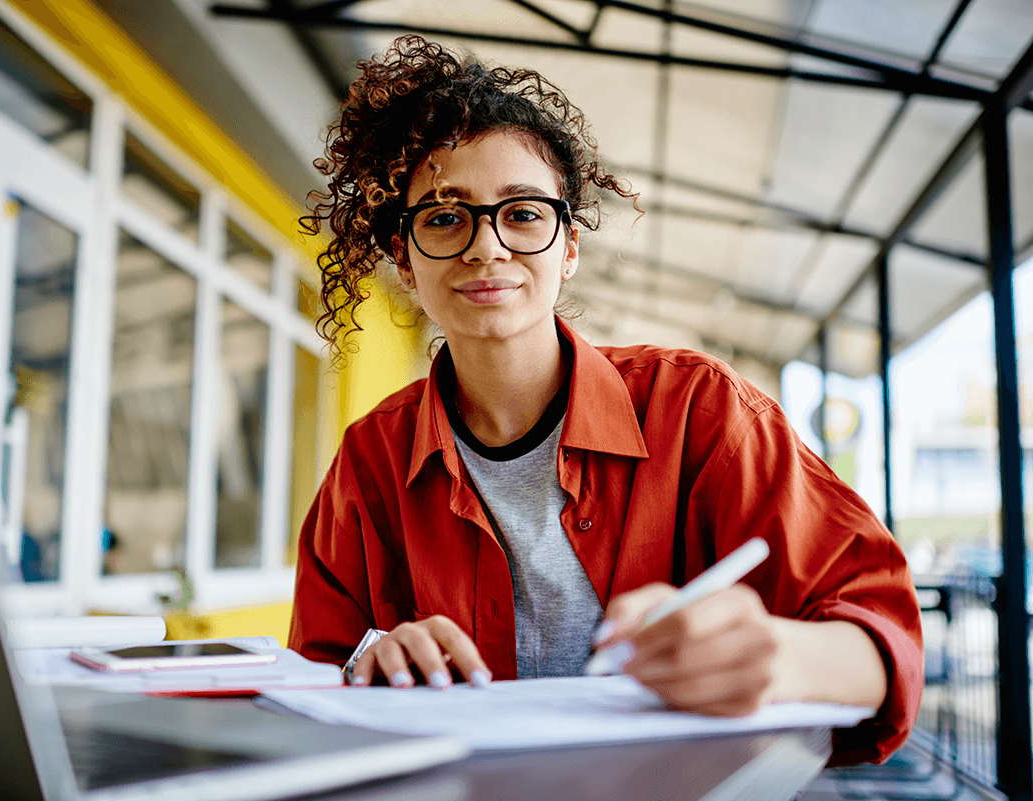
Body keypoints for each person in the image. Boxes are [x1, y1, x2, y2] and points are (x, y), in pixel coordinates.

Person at [289, 35, 922, 766]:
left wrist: (780, 657)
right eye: (442, 217)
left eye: (523, 213)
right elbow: (306, 688)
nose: (486, 247)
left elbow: (884, 636)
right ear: (403, 255)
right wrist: (370, 665)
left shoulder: (701, 411)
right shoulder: (370, 462)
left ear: (568, 246)